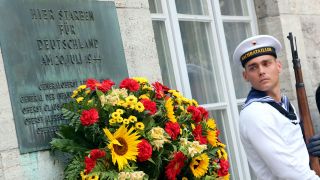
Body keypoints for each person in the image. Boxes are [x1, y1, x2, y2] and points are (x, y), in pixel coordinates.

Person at [233, 35, 320, 179]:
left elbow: (295, 153)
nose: (261, 71)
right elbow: (290, 173)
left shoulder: (283, 105)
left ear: (278, 66)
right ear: (245, 75)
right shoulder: (255, 113)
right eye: (253, 67)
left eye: (266, 63)